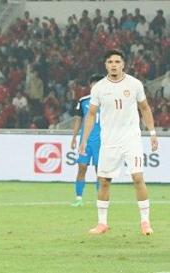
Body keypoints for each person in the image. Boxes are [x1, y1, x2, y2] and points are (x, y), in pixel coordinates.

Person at [79, 49, 159, 236]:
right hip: (109, 141)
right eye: (110, 62)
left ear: (123, 64)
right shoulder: (99, 87)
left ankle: (145, 222)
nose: (113, 65)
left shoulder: (134, 84)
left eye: (117, 61)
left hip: (131, 139)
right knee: (104, 180)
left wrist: (153, 133)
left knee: (138, 177)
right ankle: (102, 224)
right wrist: (84, 140)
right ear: (105, 65)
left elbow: (145, 108)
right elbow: (90, 114)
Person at [69, 74, 104, 207]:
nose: (95, 86)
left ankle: (100, 200)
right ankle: (78, 198)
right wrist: (74, 138)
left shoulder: (108, 101)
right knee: (82, 168)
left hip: (101, 142)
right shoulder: (83, 101)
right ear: (90, 86)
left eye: (98, 83)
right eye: (93, 83)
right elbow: (78, 120)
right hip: (86, 141)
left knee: (100, 171)